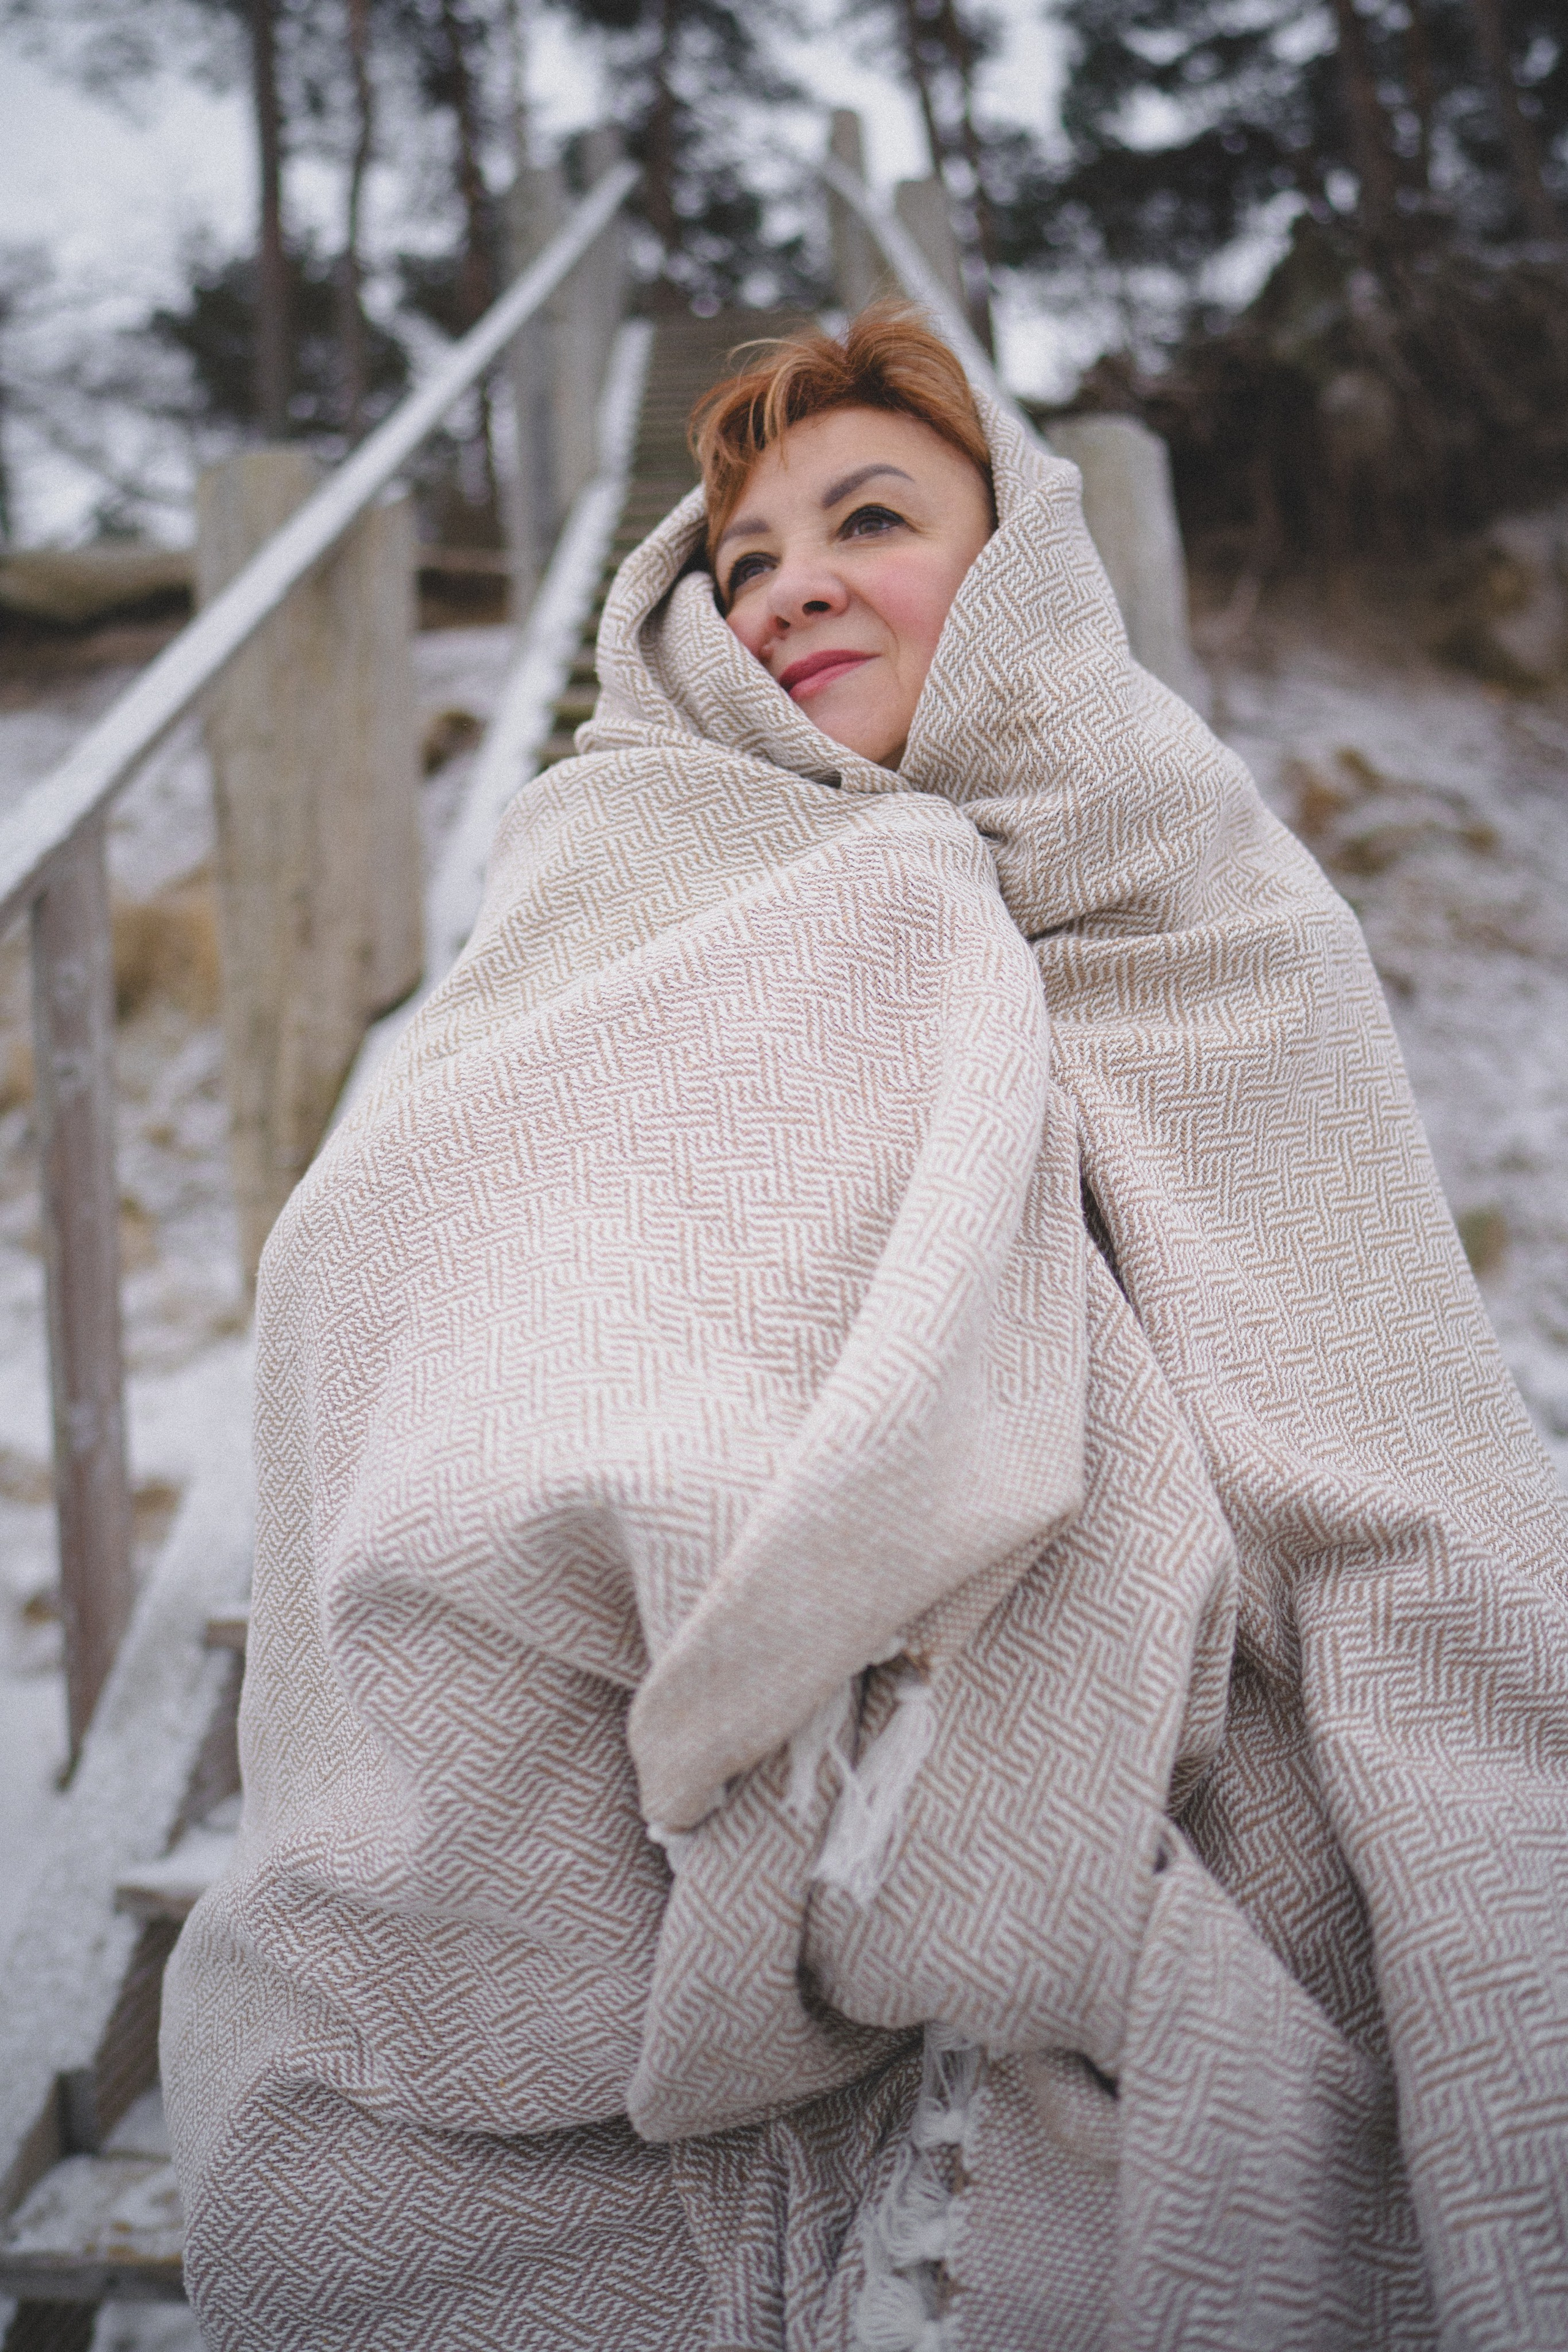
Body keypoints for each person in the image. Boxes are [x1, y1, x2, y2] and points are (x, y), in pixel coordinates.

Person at [162, 304, 1568, 2350]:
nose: (793, 581)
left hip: (1188, 1718)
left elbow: (1366, 1391)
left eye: (873, 517)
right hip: (644, 1739)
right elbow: (393, 1239)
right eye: (741, 562)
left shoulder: (1211, 899)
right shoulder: (623, 869)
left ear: (1016, 565)